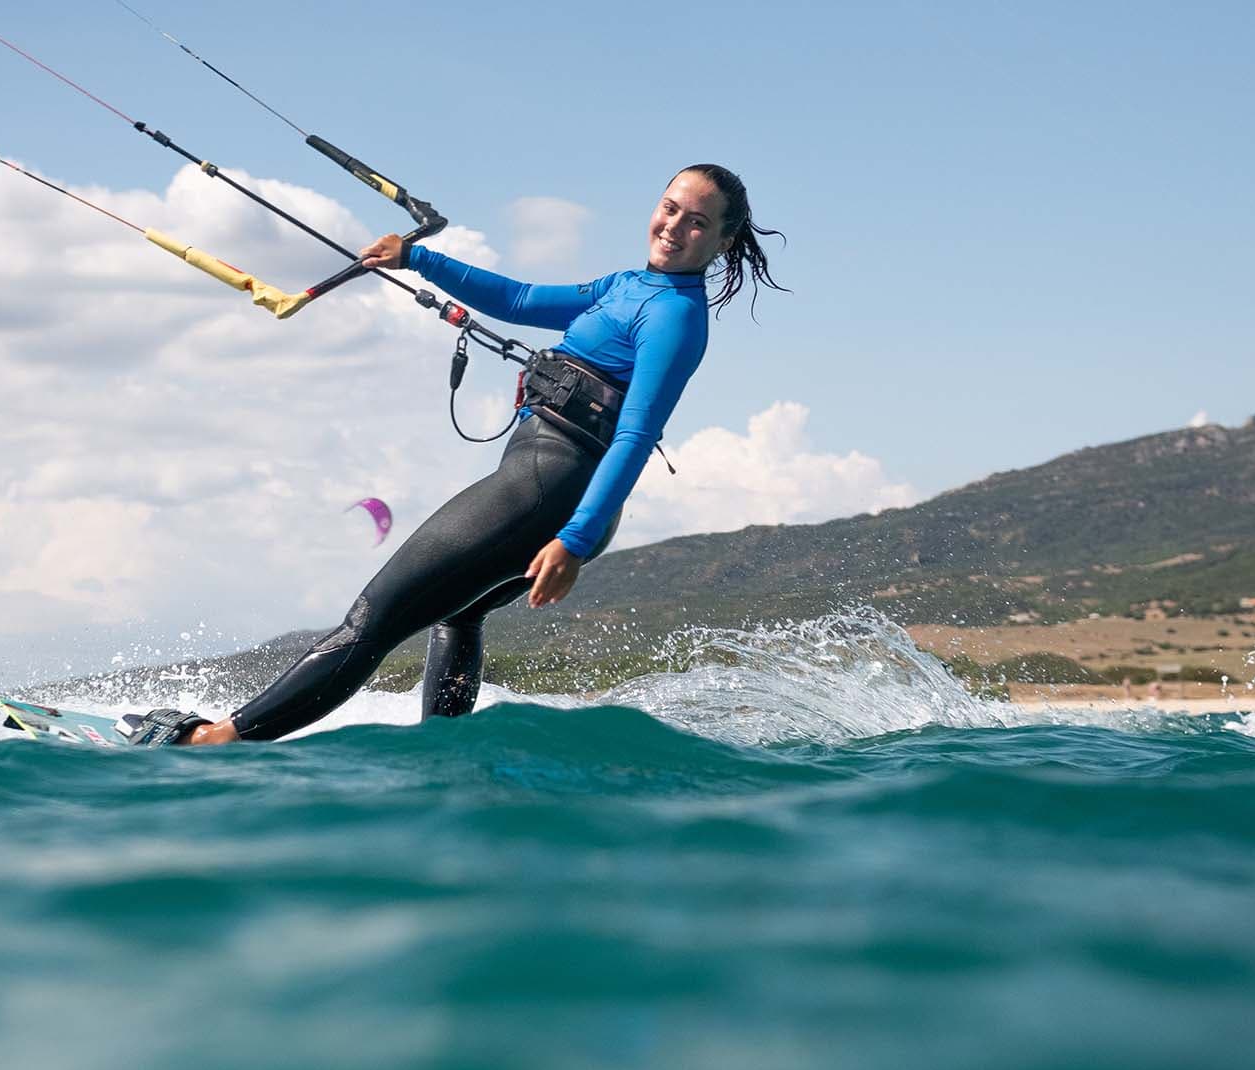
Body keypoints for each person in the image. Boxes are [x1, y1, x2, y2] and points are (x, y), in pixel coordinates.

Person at [123, 164, 784, 746]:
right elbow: (521, 300)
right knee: (458, 613)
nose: (674, 227)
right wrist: (417, 259)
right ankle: (444, 754)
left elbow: (636, 434)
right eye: (670, 208)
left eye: (696, 222)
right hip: (551, 484)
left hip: (552, 486)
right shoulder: (629, 286)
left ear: (722, 241)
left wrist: (575, 540)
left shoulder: (674, 316)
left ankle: (216, 740)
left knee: (372, 618)